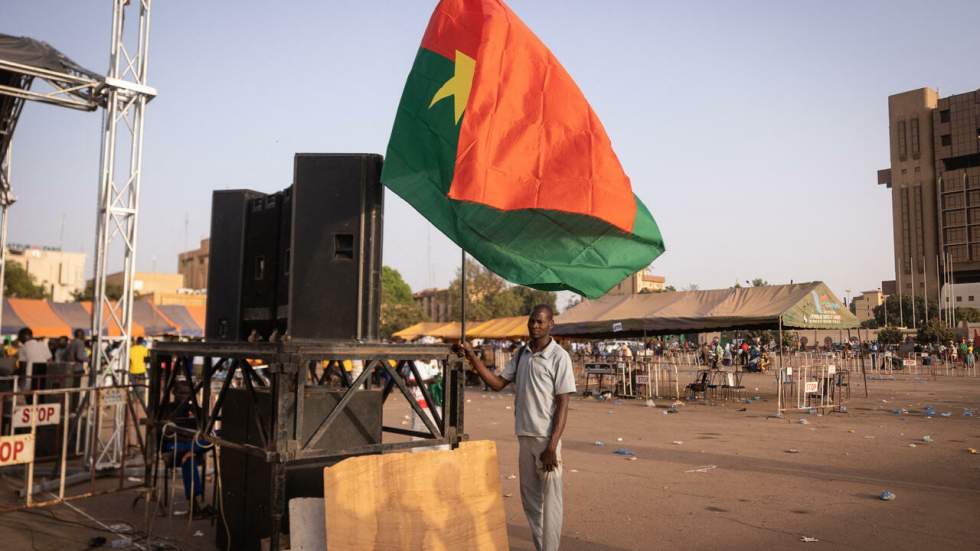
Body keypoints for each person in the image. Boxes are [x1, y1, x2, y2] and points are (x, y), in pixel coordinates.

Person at [454, 305, 574, 551]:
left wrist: (552, 446)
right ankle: (543, 547)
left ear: (551, 324)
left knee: (551, 502)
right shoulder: (522, 354)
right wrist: (472, 356)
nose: (535, 326)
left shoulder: (559, 357)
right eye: (532, 321)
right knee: (531, 503)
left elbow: (563, 404)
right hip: (524, 436)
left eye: (540, 322)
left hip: (546, 440)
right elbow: (498, 383)